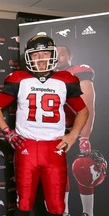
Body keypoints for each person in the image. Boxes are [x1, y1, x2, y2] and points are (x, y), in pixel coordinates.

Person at [0, 34, 89, 216]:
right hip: (26, 145)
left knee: (57, 206)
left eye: (44, 53)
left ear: (53, 55)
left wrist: (73, 135)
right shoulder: (19, 79)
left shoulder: (65, 79)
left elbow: (83, 111)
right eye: (36, 55)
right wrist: (8, 132)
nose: (41, 59)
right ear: (29, 57)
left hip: (54, 147)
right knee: (24, 204)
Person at [56, 45, 95, 216]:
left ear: (70, 55)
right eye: (55, 55)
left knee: (84, 170)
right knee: (60, 172)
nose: (57, 58)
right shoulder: (47, 76)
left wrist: (84, 137)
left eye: (62, 54)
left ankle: (88, 212)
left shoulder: (79, 71)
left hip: (76, 129)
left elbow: (89, 107)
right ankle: (64, 211)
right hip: (56, 131)